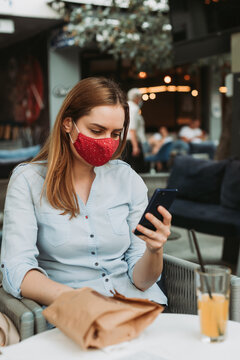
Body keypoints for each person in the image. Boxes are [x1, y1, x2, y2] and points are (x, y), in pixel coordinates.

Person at [1, 77, 171, 308]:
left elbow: (141, 281)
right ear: (67, 123)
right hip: (74, 311)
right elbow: (16, 270)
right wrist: (77, 300)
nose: (106, 143)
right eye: (96, 130)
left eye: (115, 134)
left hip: (139, 306)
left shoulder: (128, 179)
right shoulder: (28, 181)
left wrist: (154, 250)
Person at [124, 88, 149, 173]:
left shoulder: (127, 106)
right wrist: (135, 146)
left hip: (128, 142)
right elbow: (132, 129)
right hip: (132, 143)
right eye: (140, 97)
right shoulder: (134, 109)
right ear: (136, 98)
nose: (141, 99)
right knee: (137, 169)